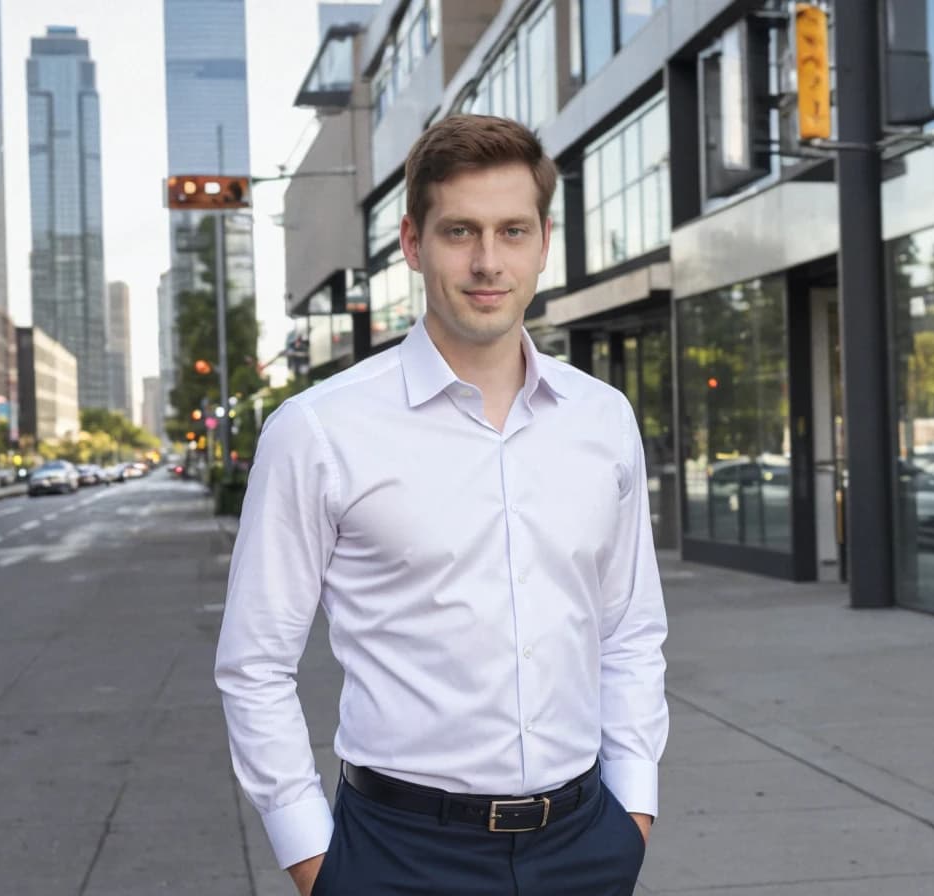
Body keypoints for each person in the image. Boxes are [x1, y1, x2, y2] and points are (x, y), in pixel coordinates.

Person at [215, 114, 668, 896]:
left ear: (543, 241)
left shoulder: (604, 420)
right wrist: (317, 863)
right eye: (460, 231)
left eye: (511, 230)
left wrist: (633, 809)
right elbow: (254, 665)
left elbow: (630, 627)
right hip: (397, 857)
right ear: (414, 243)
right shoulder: (318, 432)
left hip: (587, 843)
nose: (488, 262)